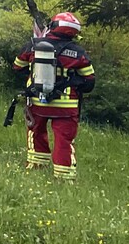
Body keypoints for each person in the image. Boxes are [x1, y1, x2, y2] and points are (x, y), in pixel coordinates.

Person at [12, 12, 96, 181]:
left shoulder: (33, 45)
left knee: (36, 133)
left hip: (37, 102)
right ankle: (64, 178)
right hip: (65, 108)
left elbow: (17, 67)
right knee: (64, 140)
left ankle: (36, 166)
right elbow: (89, 83)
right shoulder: (78, 53)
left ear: (53, 26)